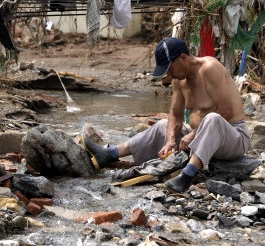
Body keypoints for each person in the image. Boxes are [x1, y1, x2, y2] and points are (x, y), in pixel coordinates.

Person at [83, 37, 251, 192]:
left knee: (213, 119)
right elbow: (175, 115)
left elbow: (227, 112)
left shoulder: (209, 68)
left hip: (233, 137)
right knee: (163, 125)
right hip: (201, 139)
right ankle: (109, 154)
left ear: (183, 58)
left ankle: (187, 176)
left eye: (170, 69)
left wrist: (193, 134)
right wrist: (170, 140)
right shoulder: (179, 80)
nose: (168, 76)